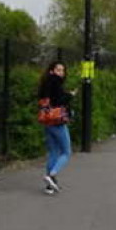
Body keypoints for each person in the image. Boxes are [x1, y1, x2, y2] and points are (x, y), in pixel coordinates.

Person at [38, 62, 74, 195]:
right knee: (66, 152)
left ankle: (49, 186)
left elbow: (46, 101)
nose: (61, 73)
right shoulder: (56, 83)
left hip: (47, 121)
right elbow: (59, 101)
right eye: (58, 70)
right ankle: (52, 175)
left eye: (62, 70)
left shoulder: (44, 83)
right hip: (57, 121)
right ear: (52, 71)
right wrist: (70, 95)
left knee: (53, 152)